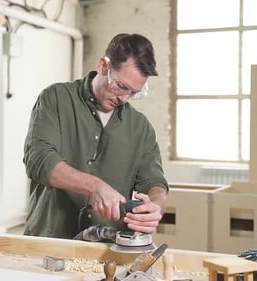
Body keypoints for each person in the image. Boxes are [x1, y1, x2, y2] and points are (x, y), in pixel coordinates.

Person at [22, 33, 168, 239]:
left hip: (108, 246)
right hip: (50, 239)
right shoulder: (55, 98)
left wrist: (154, 207)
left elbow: (154, 181)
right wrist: (95, 186)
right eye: (121, 86)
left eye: (134, 93)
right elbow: (39, 160)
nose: (124, 98)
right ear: (103, 66)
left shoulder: (141, 127)